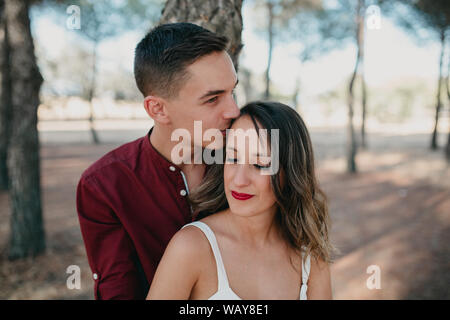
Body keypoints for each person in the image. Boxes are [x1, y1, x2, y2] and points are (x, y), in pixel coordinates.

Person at [76, 22, 240, 299]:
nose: (234, 110)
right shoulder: (104, 186)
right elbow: (119, 292)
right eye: (213, 99)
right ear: (158, 109)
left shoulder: (251, 163)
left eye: (232, 91)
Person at [147, 101, 334, 300]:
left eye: (259, 164)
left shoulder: (311, 256)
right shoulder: (192, 247)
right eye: (233, 159)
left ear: (291, 173)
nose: (239, 180)